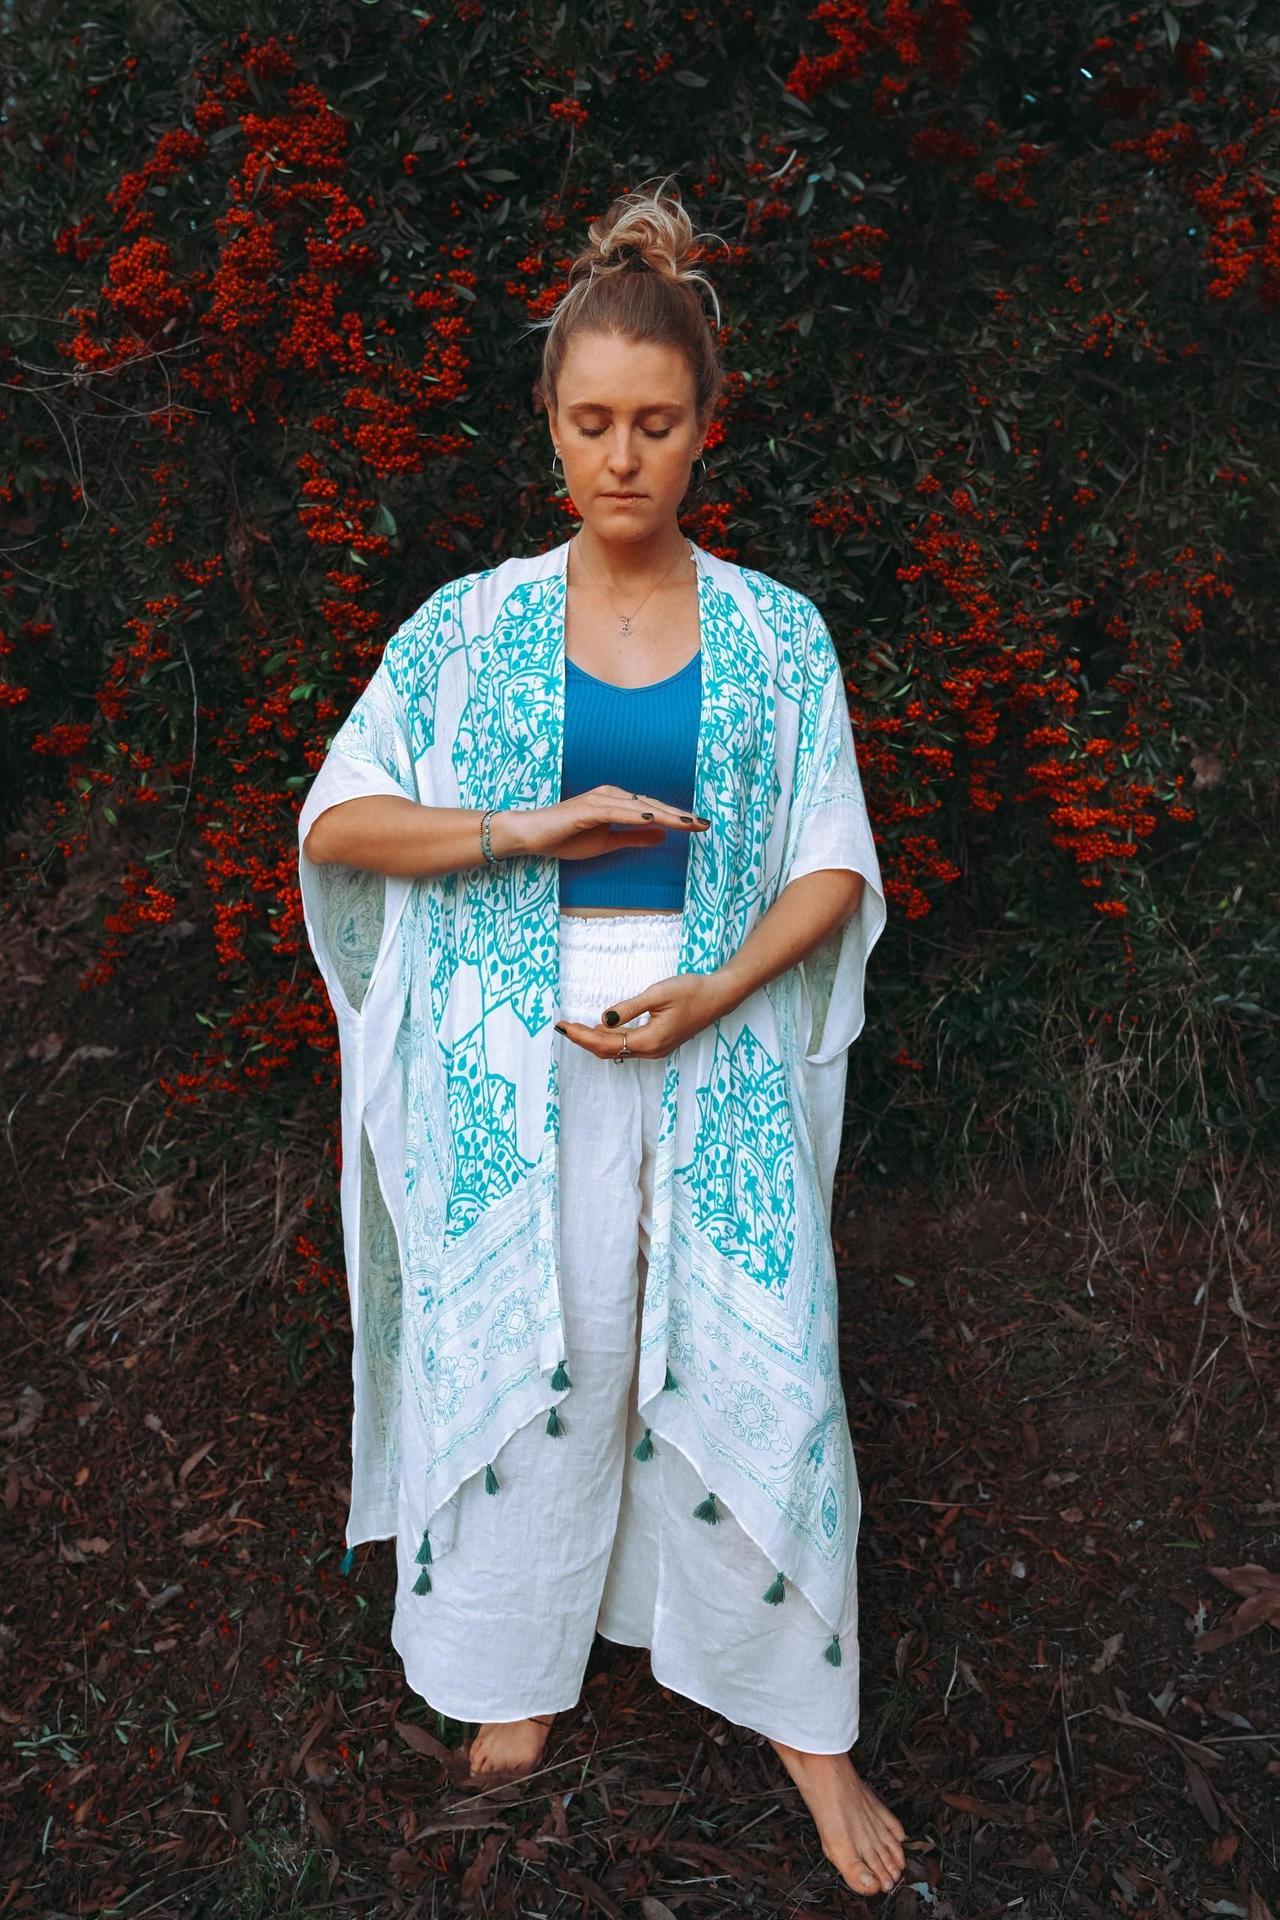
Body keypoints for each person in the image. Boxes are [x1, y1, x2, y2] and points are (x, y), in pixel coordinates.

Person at [296, 175, 905, 1898]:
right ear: (547, 429)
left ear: (709, 429)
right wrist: (521, 831)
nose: (620, 455)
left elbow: (834, 862)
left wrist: (716, 993)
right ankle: (509, 1659)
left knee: (758, 1359)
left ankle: (806, 1722)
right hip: (515, 1047)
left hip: (712, 1038)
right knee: (538, 1347)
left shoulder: (781, 636)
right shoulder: (472, 625)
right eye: (589, 423)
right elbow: (342, 821)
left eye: (655, 422)